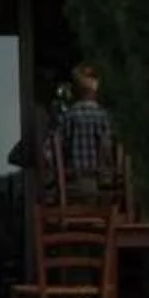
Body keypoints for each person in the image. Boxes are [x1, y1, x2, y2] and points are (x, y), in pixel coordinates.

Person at [52, 63, 117, 202]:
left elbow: (54, 149)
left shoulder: (69, 116)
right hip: (104, 180)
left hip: (75, 179)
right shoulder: (105, 116)